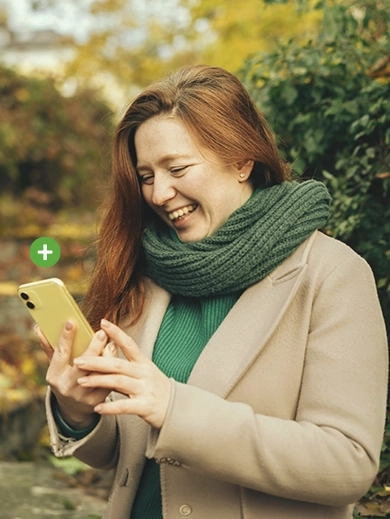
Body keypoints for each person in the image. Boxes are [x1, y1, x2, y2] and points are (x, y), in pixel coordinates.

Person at [36, 65, 388, 519]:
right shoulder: (146, 269)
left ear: (243, 160)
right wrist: (77, 408)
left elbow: (347, 464)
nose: (160, 193)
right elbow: (121, 458)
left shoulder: (331, 275)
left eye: (177, 168)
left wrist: (176, 410)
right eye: (145, 176)